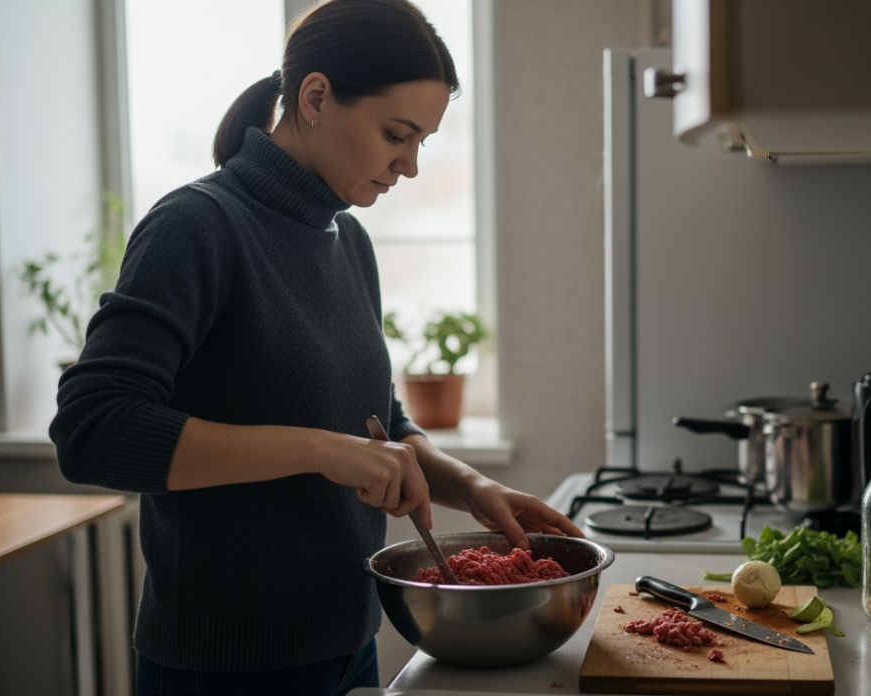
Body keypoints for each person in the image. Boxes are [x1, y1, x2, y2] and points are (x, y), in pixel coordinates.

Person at [50, 1, 581, 693]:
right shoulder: (196, 228)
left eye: (423, 141)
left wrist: (474, 490)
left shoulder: (348, 241)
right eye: (399, 133)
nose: (411, 166)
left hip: (348, 645)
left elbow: (375, 423)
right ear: (316, 96)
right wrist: (319, 449)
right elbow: (91, 429)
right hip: (224, 667)